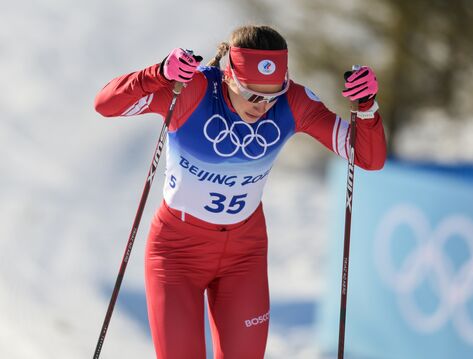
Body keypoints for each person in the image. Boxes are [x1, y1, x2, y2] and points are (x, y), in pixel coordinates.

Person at [94, 24, 386, 359]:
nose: (262, 105)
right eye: (252, 94)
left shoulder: (292, 103)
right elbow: (106, 104)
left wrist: (366, 107)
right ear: (229, 76)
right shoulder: (193, 89)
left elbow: (367, 157)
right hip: (176, 251)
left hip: (243, 255)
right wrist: (157, 74)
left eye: (272, 95)